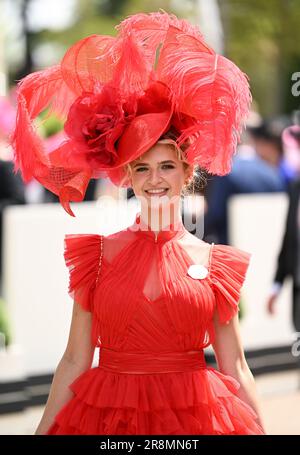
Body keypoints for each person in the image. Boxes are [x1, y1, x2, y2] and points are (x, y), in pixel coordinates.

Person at [11, 11, 265, 435]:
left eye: (166, 166)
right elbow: (75, 358)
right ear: (126, 176)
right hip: (108, 421)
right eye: (141, 168)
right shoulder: (96, 256)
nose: (154, 179)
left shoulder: (216, 264)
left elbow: (235, 365)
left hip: (197, 420)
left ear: (187, 175)